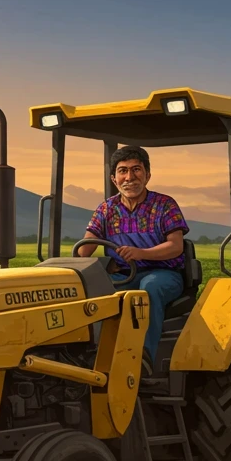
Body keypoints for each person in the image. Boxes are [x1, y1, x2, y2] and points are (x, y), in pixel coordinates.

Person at [75, 145, 189, 376]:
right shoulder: (107, 208)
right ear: (114, 179)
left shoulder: (164, 205)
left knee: (147, 291)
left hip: (163, 274)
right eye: (123, 171)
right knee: (92, 290)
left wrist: (141, 253)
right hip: (123, 274)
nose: (130, 177)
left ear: (147, 174)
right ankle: (91, 356)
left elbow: (175, 246)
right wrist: (88, 245)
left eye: (136, 170)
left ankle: (143, 360)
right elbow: (84, 249)